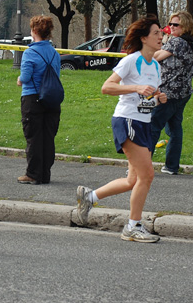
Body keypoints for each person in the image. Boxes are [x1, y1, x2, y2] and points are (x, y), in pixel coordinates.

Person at [77, 15, 167, 243]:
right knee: (147, 175)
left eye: (161, 33)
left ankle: (90, 197)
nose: (161, 36)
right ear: (144, 38)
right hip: (127, 121)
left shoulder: (156, 66)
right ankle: (132, 226)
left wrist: (158, 98)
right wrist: (136, 87)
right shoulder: (131, 61)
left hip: (144, 123)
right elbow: (106, 87)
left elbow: (147, 98)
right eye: (156, 33)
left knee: (133, 180)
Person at [150, 11, 193, 175]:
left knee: (152, 126)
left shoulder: (177, 42)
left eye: (176, 24)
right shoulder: (190, 42)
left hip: (169, 93)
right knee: (175, 128)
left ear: (185, 26)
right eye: (170, 24)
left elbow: (155, 56)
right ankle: (171, 166)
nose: (171, 27)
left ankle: (141, 167)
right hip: (183, 92)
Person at [16, 16, 61, 185]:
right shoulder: (54, 53)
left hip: (32, 98)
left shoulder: (30, 53)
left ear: (34, 31)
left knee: (33, 136)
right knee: (48, 136)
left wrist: (19, 79)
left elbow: (26, 77)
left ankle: (33, 173)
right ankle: (45, 173)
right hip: (51, 98)